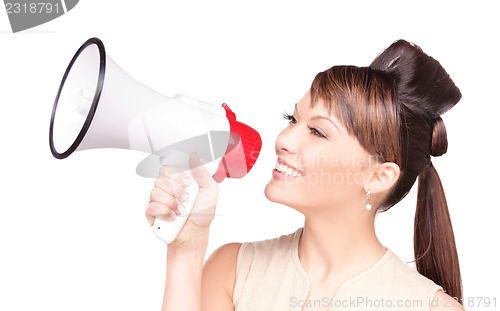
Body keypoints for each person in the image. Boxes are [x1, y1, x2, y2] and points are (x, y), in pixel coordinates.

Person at [145, 40, 465, 311]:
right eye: (292, 119)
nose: (283, 141)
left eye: (317, 131)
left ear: (379, 177)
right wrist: (186, 249)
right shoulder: (233, 270)